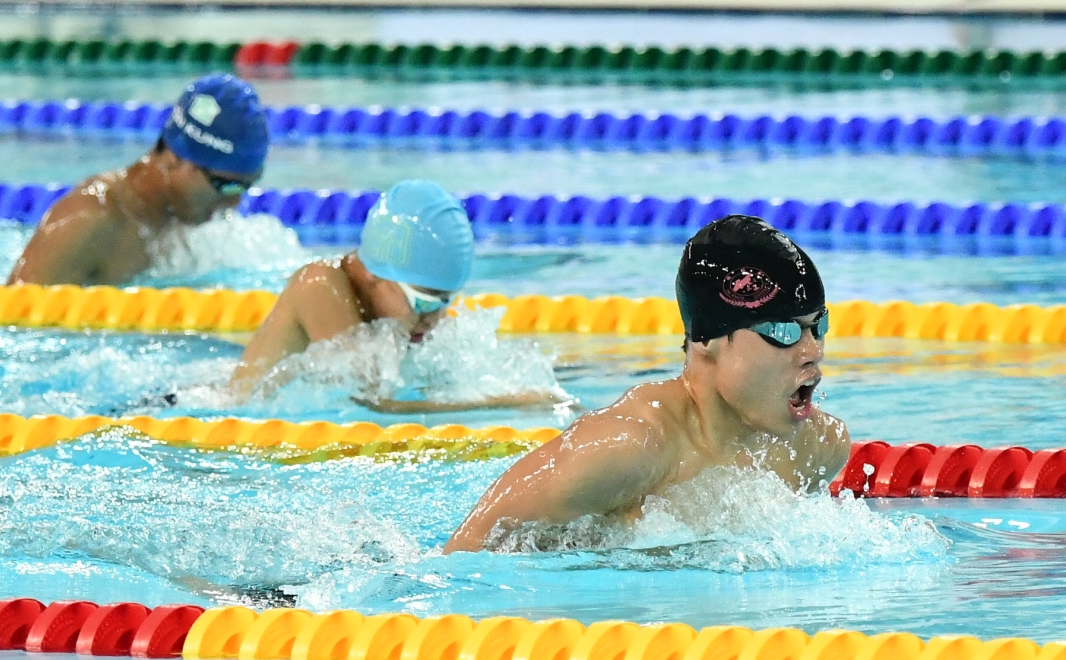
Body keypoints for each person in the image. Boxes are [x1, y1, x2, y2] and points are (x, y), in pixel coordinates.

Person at [444, 215, 851, 553]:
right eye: (783, 331)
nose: (813, 350)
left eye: (819, 326)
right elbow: (462, 555)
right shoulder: (627, 448)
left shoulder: (815, 448)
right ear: (706, 338)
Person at [230, 179, 560, 412]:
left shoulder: (396, 311)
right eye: (424, 301)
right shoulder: (319, 286)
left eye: (445, 302)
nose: (434, 319)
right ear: (376, 273)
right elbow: (374, 404)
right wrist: (508, 401)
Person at [7, 74, 269, 286]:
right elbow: (14, 322)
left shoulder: (176, 219)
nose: (234, 202)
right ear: (176, 157)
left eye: (246, 186)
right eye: (225, 185)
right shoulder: (90, 220)